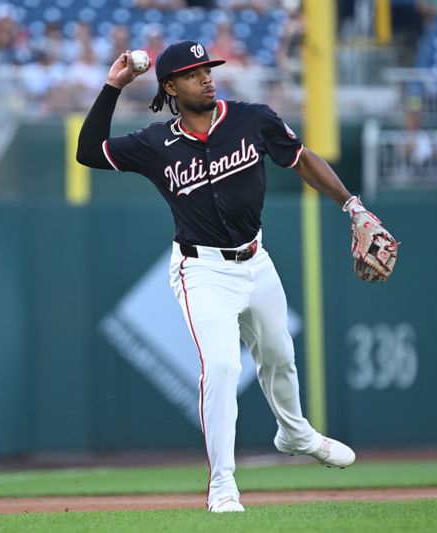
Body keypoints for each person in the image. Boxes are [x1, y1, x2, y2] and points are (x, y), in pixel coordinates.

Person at [76, 41, 373, 513]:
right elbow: (88, 152)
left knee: (279, 355)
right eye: (194, 74)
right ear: (170, 87)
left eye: (209, 69)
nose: (207, 78)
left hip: (256, 260)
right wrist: (114, 85)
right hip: (201, 269)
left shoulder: (252, 118)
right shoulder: (156, 143)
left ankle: (295, 434)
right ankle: (223, 486)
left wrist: (352, 206)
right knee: (222, 367)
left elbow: (302, 159)